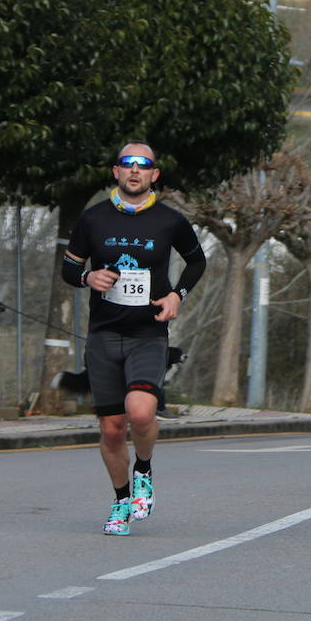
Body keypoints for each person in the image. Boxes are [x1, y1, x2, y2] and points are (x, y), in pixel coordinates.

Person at [62, 142, 207, 536]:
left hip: (148, 333)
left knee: (140, 413)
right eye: (128, 164)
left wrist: (177, 295)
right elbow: (69, 268)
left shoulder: (169, 221)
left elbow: (197, 261)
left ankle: (143, 470)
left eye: (144, 165)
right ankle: (121, 500)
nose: (135, 171)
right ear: (116, 172)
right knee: (111, 428)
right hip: (104, 334)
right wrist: (87, 277)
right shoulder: (93, 219)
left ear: (154, 175)